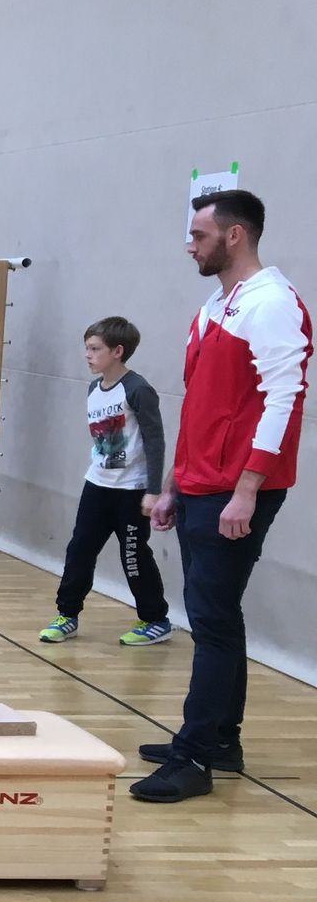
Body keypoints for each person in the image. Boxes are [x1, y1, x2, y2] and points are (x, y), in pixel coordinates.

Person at [132, 189, 311, 803]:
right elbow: (201, 406)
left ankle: (194, 757)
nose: (190, 245)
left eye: (199, 235)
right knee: (216, 615)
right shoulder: (216, 304)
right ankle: (220, 740)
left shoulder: (272, 303)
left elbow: (286, 400)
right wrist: (174, 484)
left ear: (235, 235)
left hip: (237, 491)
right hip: (202, 484)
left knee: (210, 621)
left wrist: (247, 490)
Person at [38, 317, 171, 648]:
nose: (87, 355)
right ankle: (67, 615)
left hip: (132, 491)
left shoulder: (138, 390)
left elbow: (155, 441)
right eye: (86, 348)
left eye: (95, 349)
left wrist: (154, 491)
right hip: (97, 486)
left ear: (117, 351)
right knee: (79, 550)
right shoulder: (93, 389)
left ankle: (155, 619)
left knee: (133, 556)